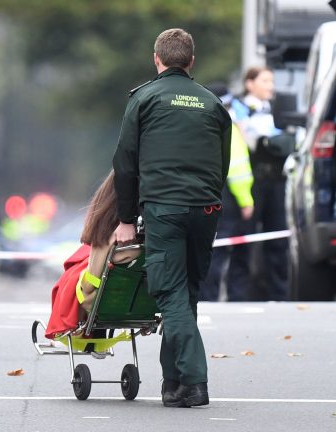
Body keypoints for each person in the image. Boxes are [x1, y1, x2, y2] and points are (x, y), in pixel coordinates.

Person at [112, 28, 231, 408]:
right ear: (191, 61)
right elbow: (223, 163)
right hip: (206, 208)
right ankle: (173, 383)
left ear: (156, 58)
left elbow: (125, 164)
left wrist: (126, 219)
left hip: (165, 208)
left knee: (170, 293)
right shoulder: (213, 103)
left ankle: (195, 383)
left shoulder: (144, 98)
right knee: (187, 293)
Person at [46, 170, 140, 341]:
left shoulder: (107, 239)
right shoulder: (149, 242)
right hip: (142, 303)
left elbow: (90, 286)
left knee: (75, 274)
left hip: (104, 301)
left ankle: (82, 330)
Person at [230, 66, 293, 301]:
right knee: (243, 241)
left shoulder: (276, 110)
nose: (271, 86)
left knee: (277, 240)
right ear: (250, 83)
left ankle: (279, 295)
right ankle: (238, 296)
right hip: (251, 183)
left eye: (271, 81)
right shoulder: (237, 110)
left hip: (276, 181)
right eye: (265, 81)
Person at [200, 83, 255, 302]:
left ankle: (205, 296)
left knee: (206, 248)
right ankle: (217, 298)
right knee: (221, 250)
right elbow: (238, 168)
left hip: (202, 194)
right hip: (227, 197)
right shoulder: (227, 125)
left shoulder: (198, 123)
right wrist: (246, 200)